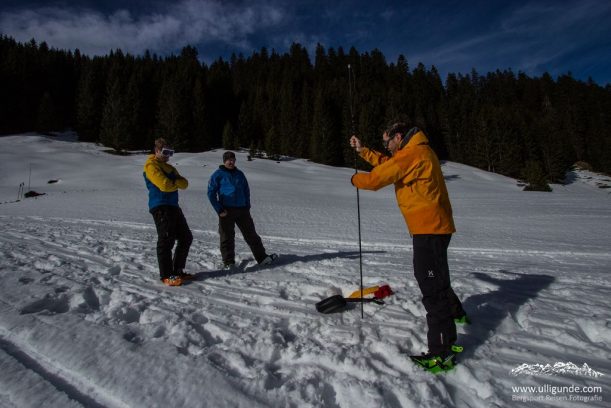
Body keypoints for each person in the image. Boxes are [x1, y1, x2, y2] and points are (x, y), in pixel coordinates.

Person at [350, 122, 468, 372]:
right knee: (438, 277)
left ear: (398, 137)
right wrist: (363, 151)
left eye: (387, 142)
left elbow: (377, 179)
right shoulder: (416, 151)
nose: (386, 147)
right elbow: (389, 164)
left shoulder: (413, 154)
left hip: (429, 230)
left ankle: (442, 353)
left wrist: (356, 179)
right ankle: (457, 313)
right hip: (433, 227)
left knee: (431, 286)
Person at [207, 151, 278, 268]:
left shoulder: (239, 174)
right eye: (228, 160)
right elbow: (211, 193)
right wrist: (219, 209)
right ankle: (229, 262)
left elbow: (246, 190)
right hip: (226, 210)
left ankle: (262, 258)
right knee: (227, 237)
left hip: (242, 210)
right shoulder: (217, 174)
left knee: (251, 235)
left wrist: (247, 205)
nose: (231, 162)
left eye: (233, 159)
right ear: (224, 161)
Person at [143, 138, 193, 286]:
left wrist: (175, 183)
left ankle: (177, 271)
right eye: (165, 152)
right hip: (160, 206)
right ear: (156, 151)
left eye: (170, 153)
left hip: (173, 206)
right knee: (166, 239)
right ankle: (166, 275)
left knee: (186, 237)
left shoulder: (170, 168)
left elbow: (185, 183)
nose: (167, 156)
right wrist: (175, 183)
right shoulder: (151, 166)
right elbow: (164, 185)